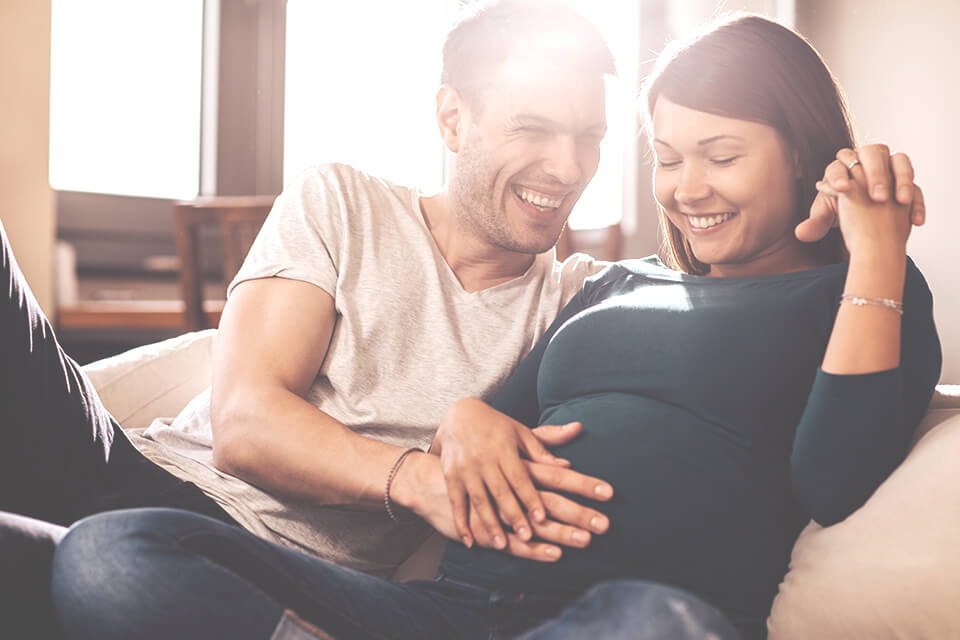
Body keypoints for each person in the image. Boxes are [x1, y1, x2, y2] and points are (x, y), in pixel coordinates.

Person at [47, 11, 940, 640]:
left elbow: (836, 479)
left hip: (618, 612)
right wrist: (464, 419)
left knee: (666, 629)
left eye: (722, 156)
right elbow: (493, 415)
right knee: (113, 555)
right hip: (445, 613)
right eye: (667, 159)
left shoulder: (864, 295)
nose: (687, 189)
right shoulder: (616, 284)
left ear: (803, 154)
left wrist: (874, 255)